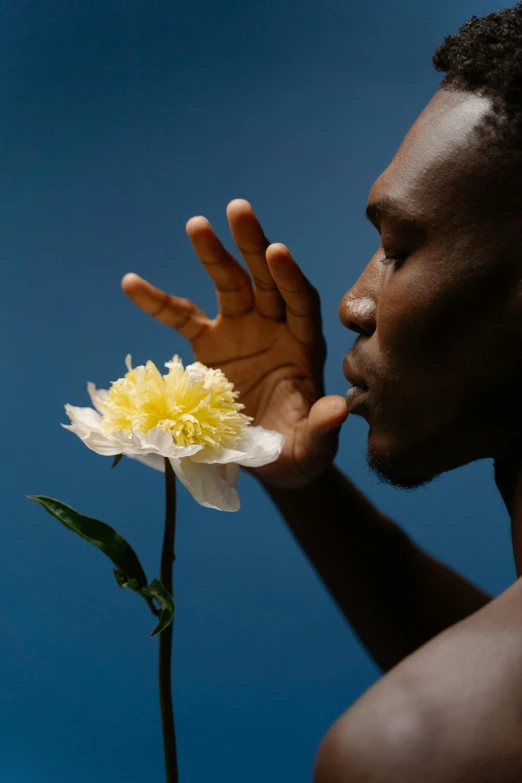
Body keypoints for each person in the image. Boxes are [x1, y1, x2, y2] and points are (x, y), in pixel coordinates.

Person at [121, 4, 522, 780]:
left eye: (397, 248)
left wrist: (412, 732)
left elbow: (452, 729)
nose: (353, 303)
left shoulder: (400, 748)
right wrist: (294, 476)